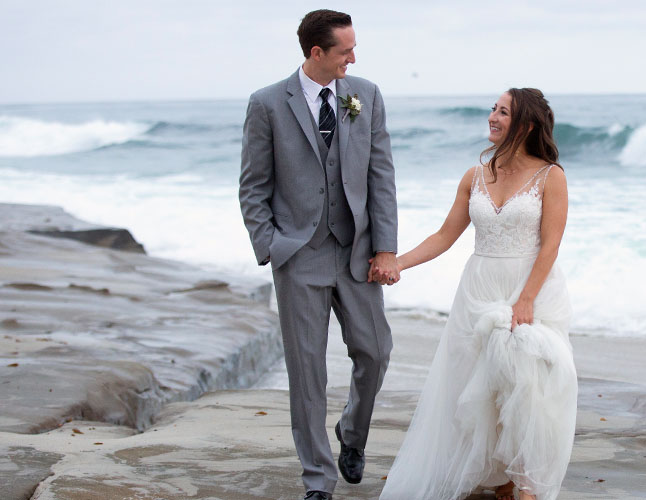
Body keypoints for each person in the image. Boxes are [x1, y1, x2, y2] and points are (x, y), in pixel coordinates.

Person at [379, 88, 577, 500]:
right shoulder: (475, 175)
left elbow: (551, 244)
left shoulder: (550, 176)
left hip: (529, 288)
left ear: (524, 125)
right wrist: (399, 263)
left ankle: (527, 486)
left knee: (527, 388)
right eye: (493, 109)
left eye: (503, 112)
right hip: (478, 288)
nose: (493, 116)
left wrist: (525, 300)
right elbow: (445, 235)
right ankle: (498, 475)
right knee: (477, 385)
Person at [238, 9, 401, 500]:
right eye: (345, 50)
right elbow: (253, 185)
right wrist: (270, 245)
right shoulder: (267, 103)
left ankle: (352, 434)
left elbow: (381, 176)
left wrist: (387, 248)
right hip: (298, 256)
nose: (354, 57)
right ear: (316, 53)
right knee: (307, 371)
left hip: (357, 252)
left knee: (375, 353)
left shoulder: (365, 95)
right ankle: (318, 481)